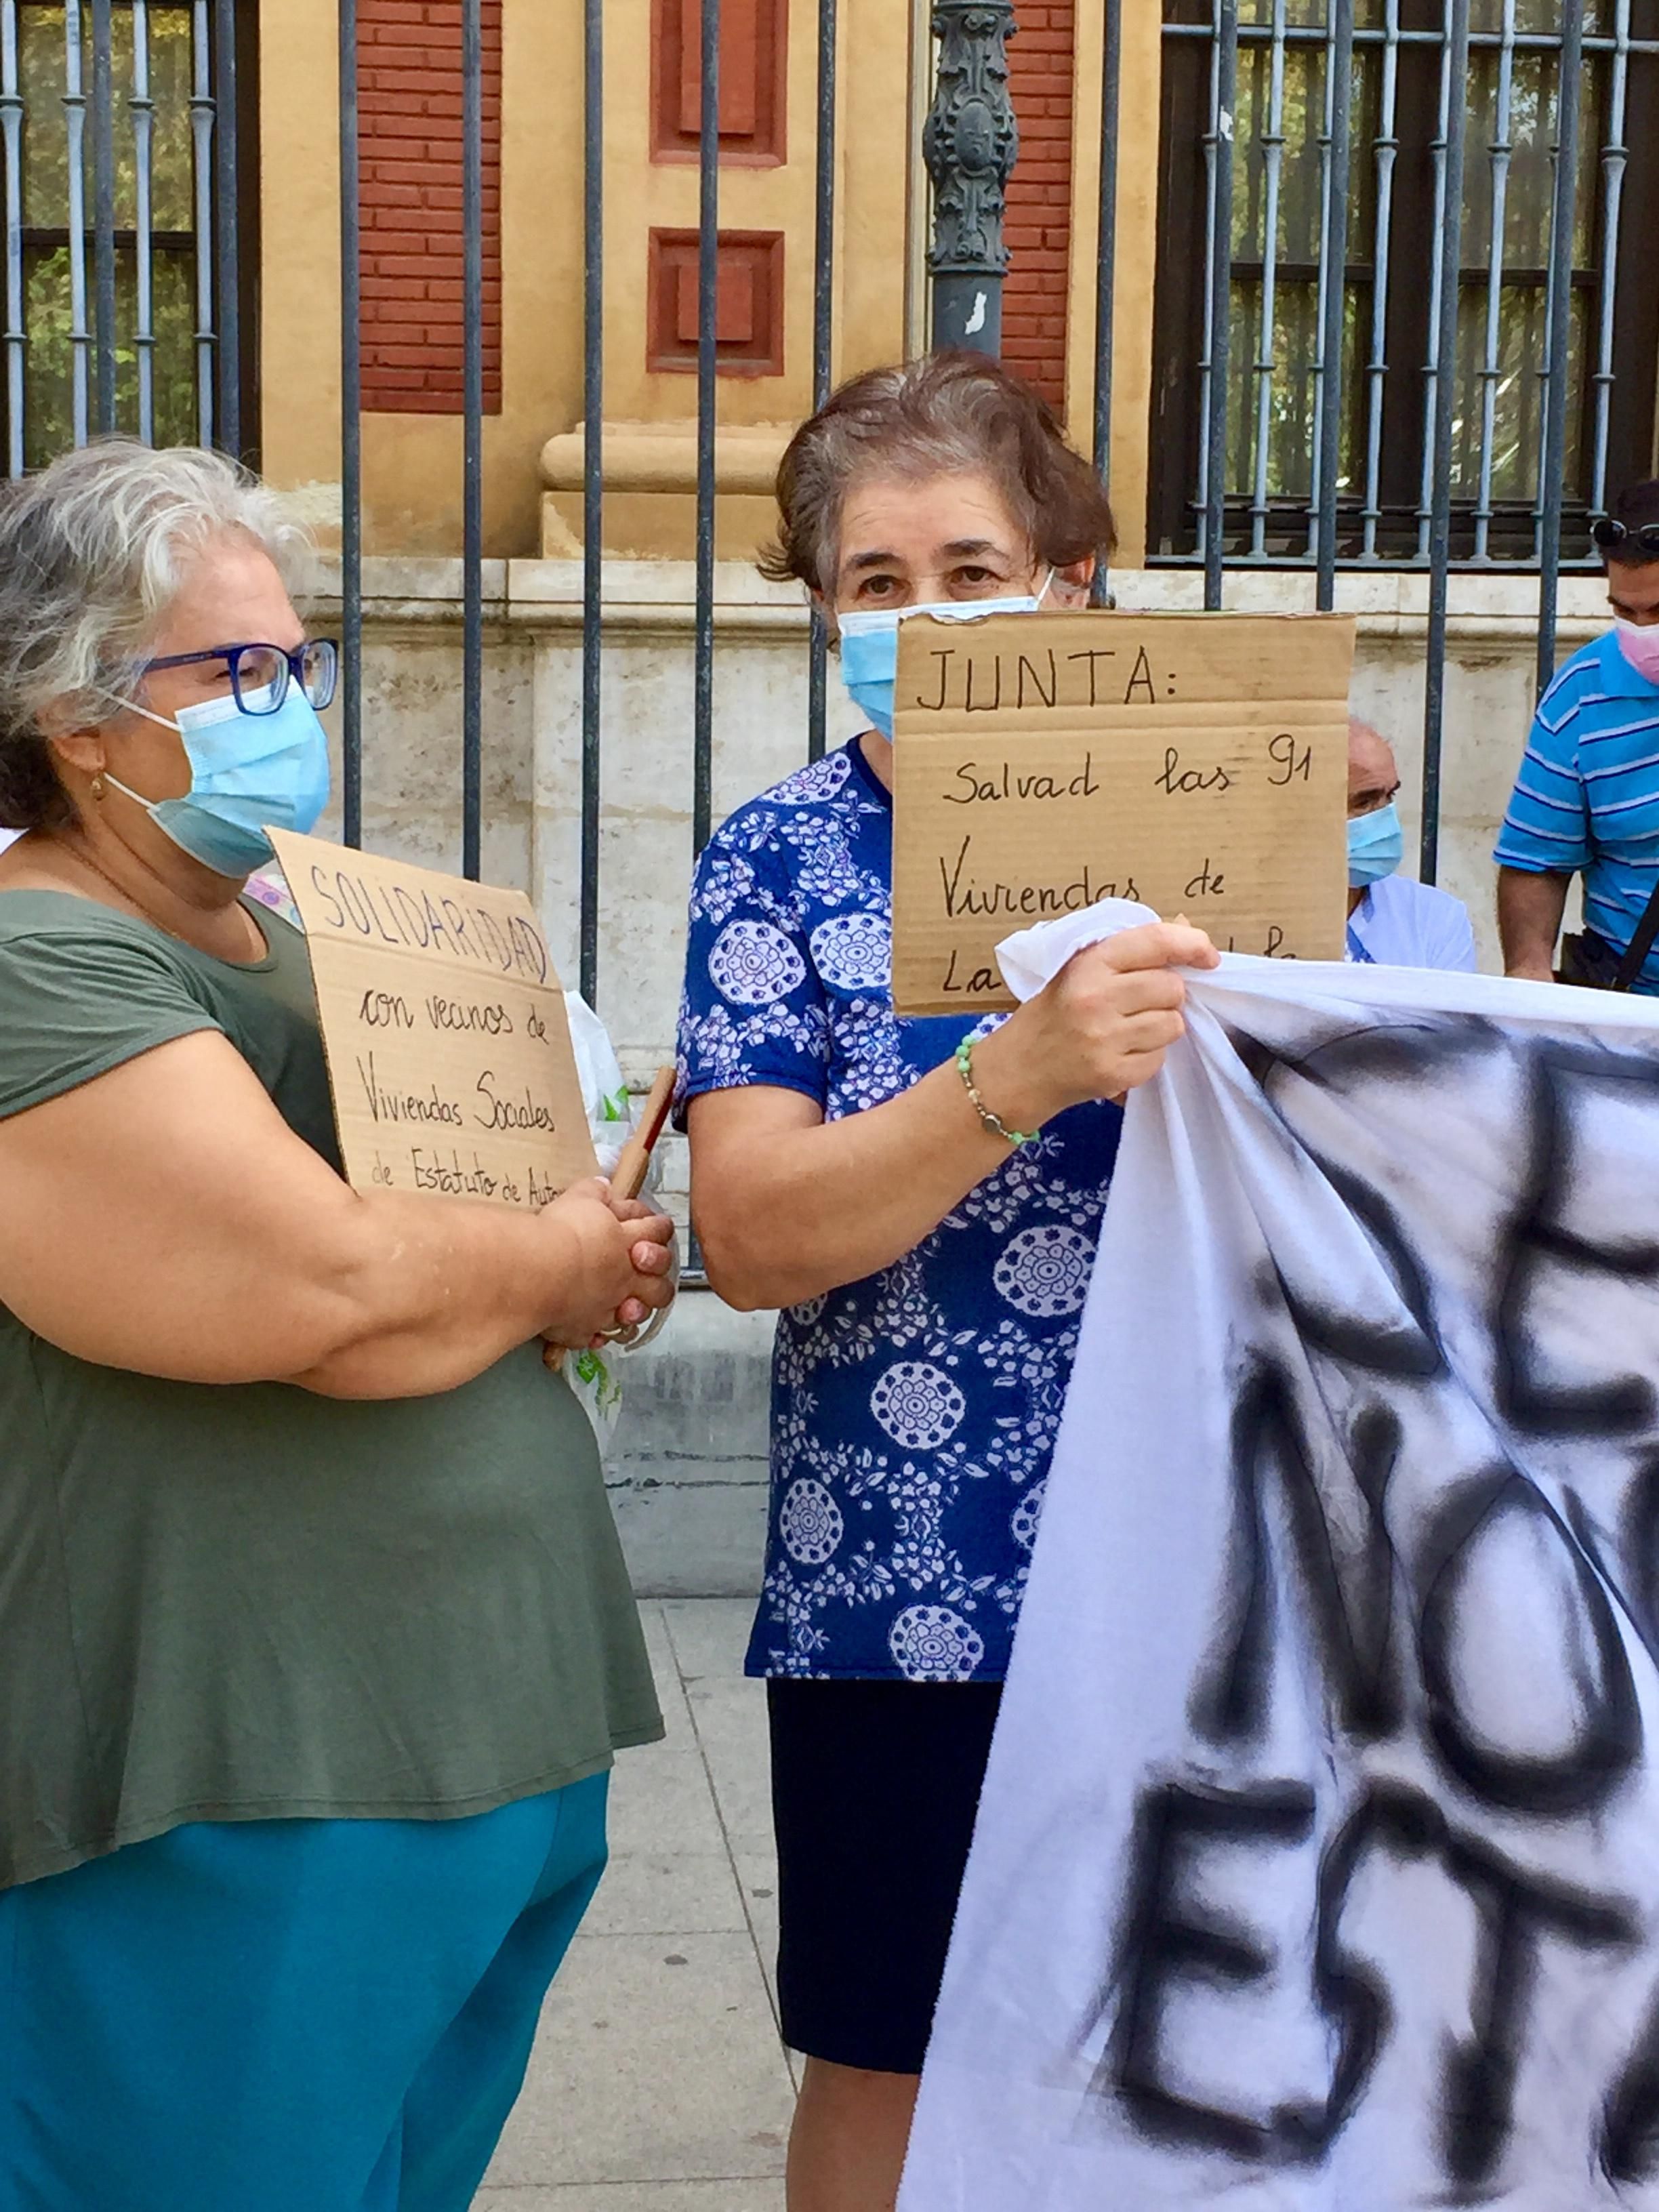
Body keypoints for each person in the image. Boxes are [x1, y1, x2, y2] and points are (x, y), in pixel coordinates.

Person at [0, 439, 677, 2212]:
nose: (286, 707)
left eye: (296, 664)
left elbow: (473, 1247)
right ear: (75, 720)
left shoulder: (294, 935)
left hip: (479, 1737)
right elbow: (334, 1295)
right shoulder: (36, 965)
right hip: (242, 1771)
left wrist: (584, 1255)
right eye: (233, 670)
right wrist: (544, 1259)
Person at [676, 353, 1219, 2212]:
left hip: (1199, 1565)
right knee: (890, 2063)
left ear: (1066, 583)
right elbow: (752, 1235)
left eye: (971, 570)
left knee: (1189, 2062)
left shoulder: (1211, 831)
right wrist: (1018, 1072)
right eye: (876, 581)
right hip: (905, 1587)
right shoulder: (776, 862)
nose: (926, 616)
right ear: (824, 612)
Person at [1496, 477, 1659, 985]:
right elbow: (1537, 858)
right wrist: (1529, 970)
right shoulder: (1582, 692)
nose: (1643, 631)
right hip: (1631, 1002)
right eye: (1624, 611)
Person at [1345, 716, 1476, 970]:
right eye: (1364, 802)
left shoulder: (1435, 919)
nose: (1385, 818)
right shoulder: (1264, 916)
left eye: (1390, 796)